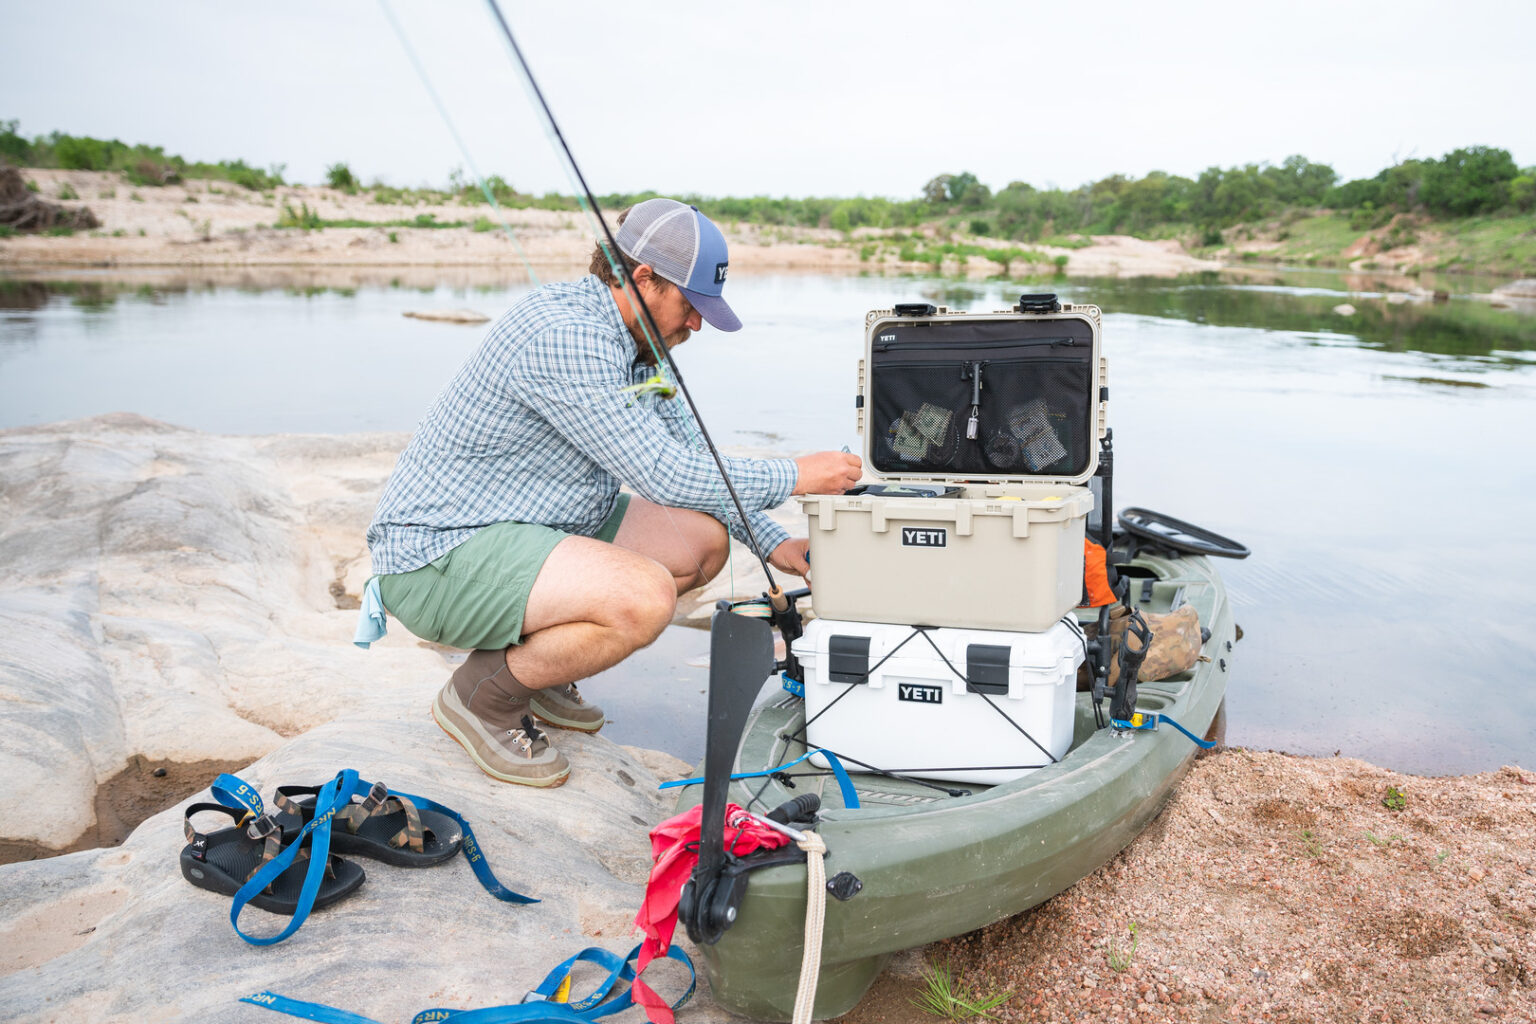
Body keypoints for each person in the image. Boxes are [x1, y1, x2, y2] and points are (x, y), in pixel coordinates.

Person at [359, 198, 862, 787]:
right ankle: (482, 698)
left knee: (702, 544)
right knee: (643, 598)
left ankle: (535, 674)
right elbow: (663, 476)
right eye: (690, 306)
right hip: (439, 557)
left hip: (528, 526)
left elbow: (691, 458)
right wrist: (797, 474)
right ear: (644, 279)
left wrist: (773, 541)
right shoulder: (568, 337)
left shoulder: (641, 341)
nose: (696, 325)